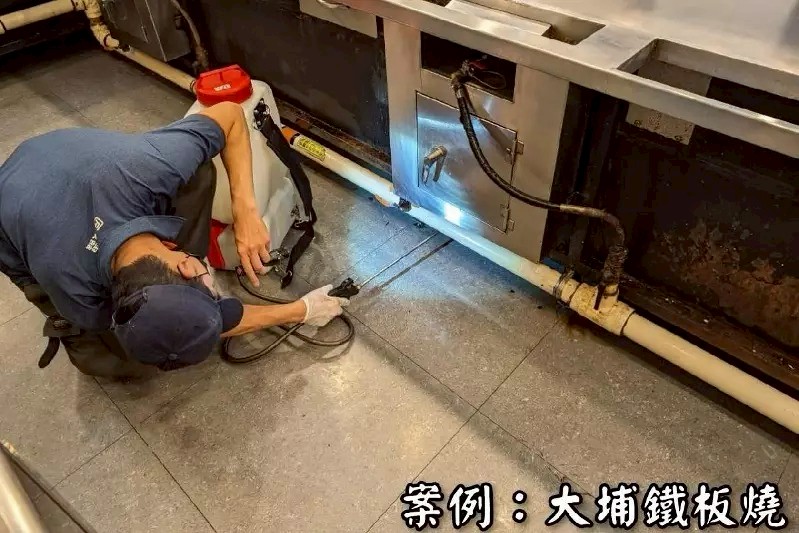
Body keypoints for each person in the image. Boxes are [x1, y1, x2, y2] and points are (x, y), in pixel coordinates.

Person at [0, 101, 348, 378]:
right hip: (13, 216)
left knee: (200, 171)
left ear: (185, 265)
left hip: (59, 155)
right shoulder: (77, 294)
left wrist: (245, 211)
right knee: (122, 361)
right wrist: (300, 311)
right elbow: (164, 329)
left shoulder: (150, 169)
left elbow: (229, 113)